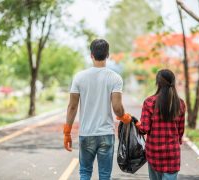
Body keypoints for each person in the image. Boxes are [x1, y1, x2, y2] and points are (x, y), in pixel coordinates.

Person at [63, 39, 131, 180]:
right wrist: (124, 117)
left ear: (91, 55)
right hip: (106, 133)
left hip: (86, 133)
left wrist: (67, 132)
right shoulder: (115, 78)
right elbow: (117, 108)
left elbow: (72, 106)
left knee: (85, 172)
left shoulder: (79, 77)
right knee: (105, 175)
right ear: (108, 55)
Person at [133, 69, 185, 180]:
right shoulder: (180, 103)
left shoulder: (149, 102)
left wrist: (137, 125)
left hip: (154, 153)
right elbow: (180, 131)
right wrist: (176, 141)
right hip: (172, 153)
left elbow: (144, 129)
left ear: (158, 83)